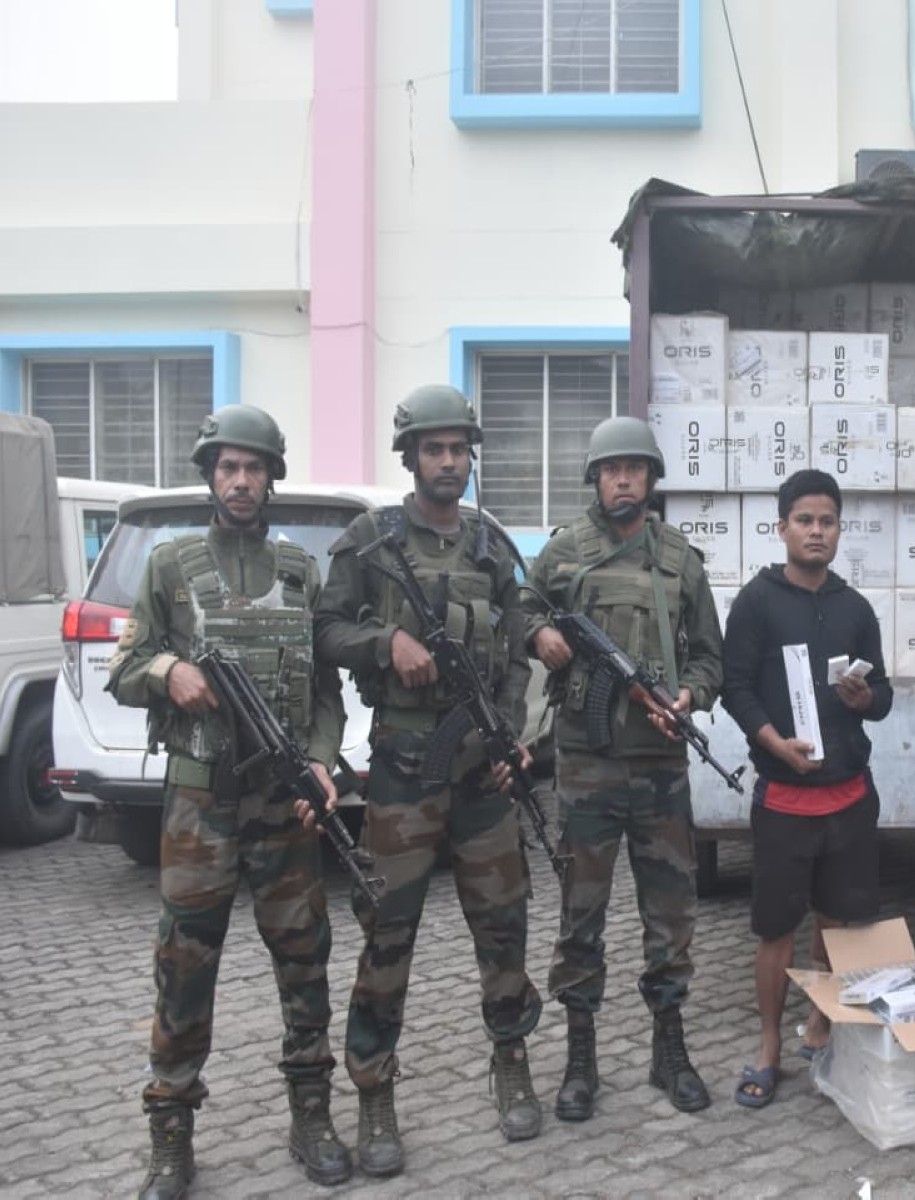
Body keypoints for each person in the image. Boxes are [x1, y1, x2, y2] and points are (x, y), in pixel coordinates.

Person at [107, 405, 351, 1198]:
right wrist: (166, 674)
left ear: (270, 475)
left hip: (282, 810)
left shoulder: (298, 572)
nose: (241, 482)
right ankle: (171, 1135)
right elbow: (127, 660)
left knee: (304, 961)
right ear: (210, 475)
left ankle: (311, 1115)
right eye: (227, 468)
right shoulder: (172, 566)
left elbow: (324, 692)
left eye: (254, 468)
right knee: (184, 968)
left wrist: (320, 763)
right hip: (200, 803)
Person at [313, 385, 541, 1177]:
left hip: (482, 775)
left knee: (503, 922)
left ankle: (510, 1056)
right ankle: (375, 1094)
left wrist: (511, 734)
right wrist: (386, 645)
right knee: (389, 934)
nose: (448, 462)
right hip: (406, 776)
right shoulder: (370, 541)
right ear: (410, 457)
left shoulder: (490, 546)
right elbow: (325, 629)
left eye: (458, 449)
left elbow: (516, 654)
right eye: (433, 449)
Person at [524, 415, 724, 1121]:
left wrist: (691, 693)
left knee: (670, 915)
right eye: (612, 471)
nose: (623, 481)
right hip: (585, 765)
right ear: (596, 478)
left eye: (635, 470)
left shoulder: (680, 559)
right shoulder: (563, 553)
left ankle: (670, 1051)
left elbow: (709, 654)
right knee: (581, 915)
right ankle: (581, 1059)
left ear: (650, 478)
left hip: (661, 764)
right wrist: (540, 630)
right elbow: (520, 609)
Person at [720, 469, 894, 1109]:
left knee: (839, 922)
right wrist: (772, 742)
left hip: (849, 796)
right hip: (784, 799)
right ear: (783, 528)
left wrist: (864, 695)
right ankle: (768, 1043)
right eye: (805, 520)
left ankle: (820, 1024)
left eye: (827, 521)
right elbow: (733, 687)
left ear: (839, 530)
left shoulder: (855, 607)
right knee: (775, 930)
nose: (816, 531)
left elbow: (885, 699)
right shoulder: (757, 602)